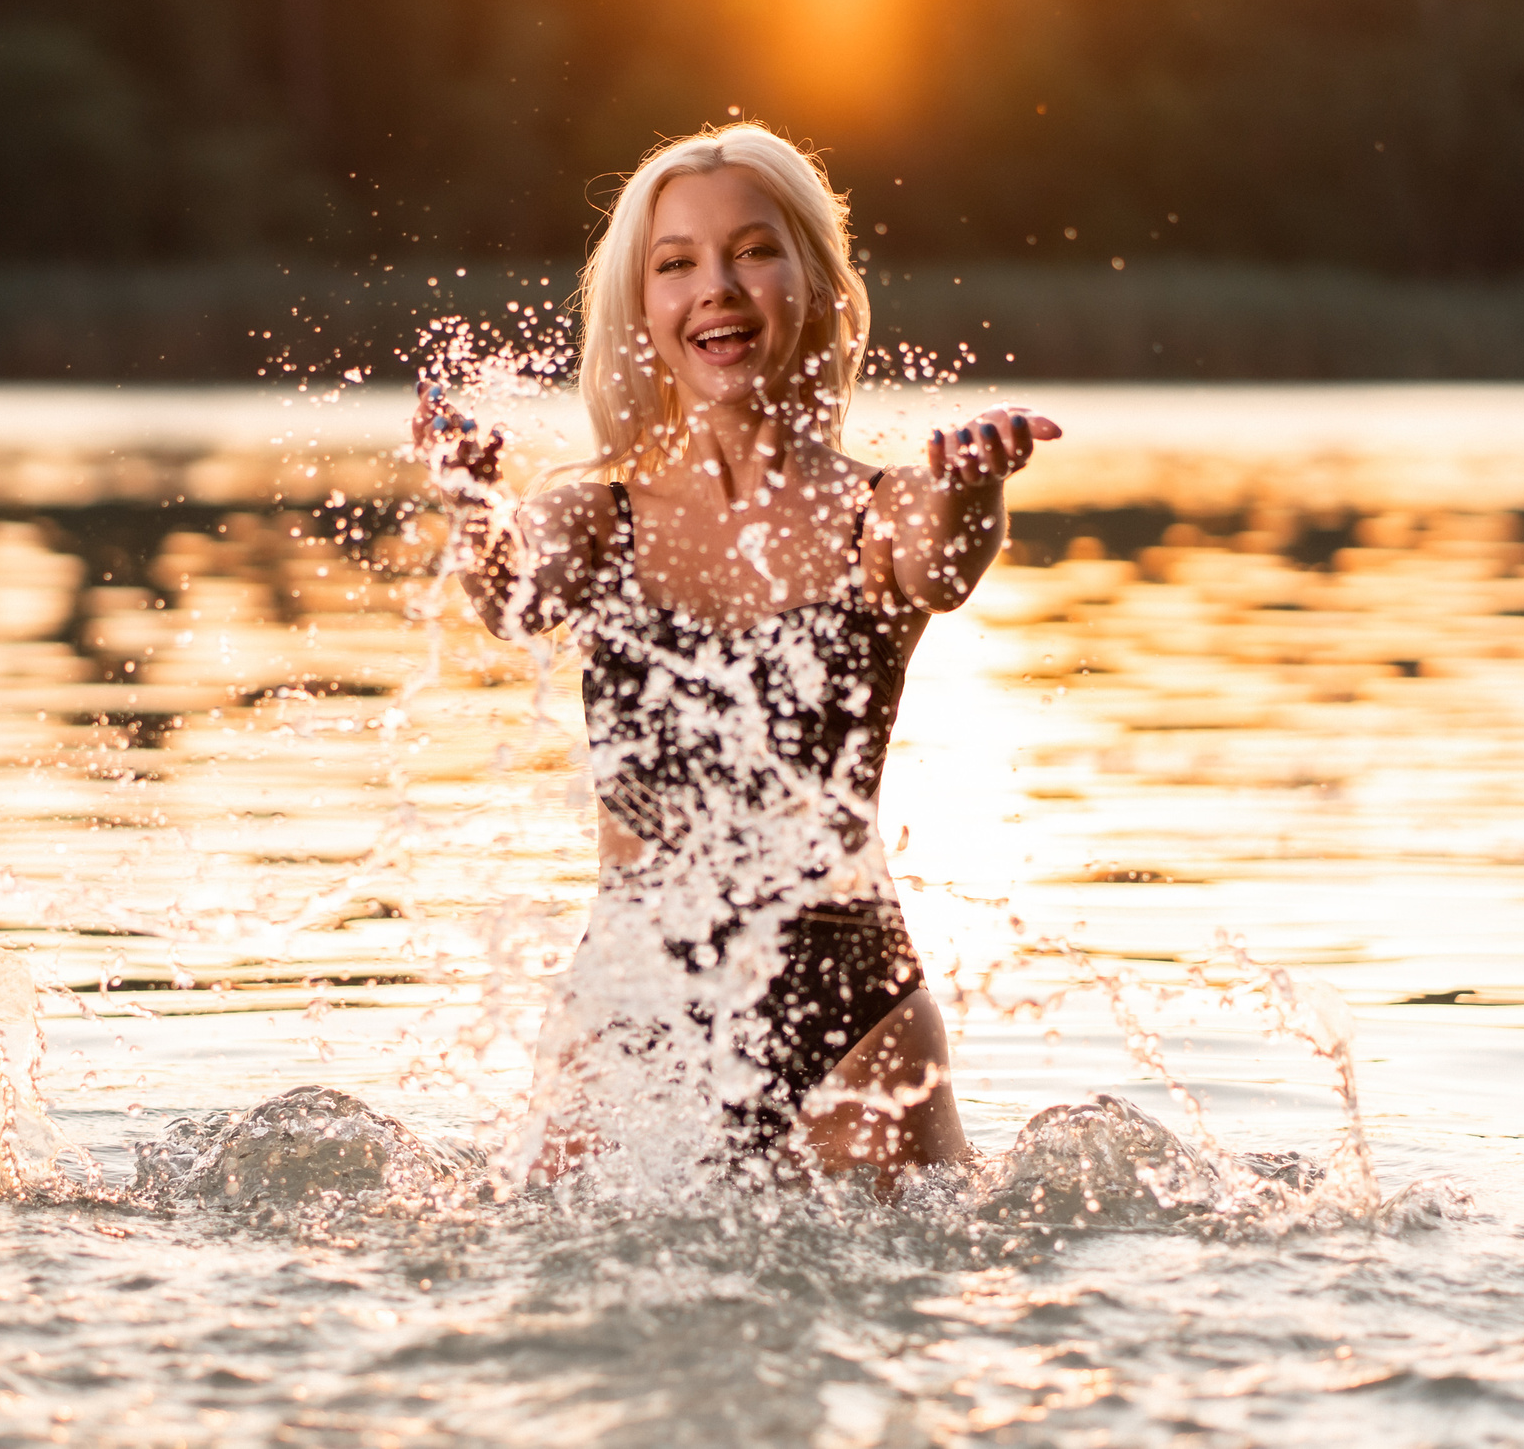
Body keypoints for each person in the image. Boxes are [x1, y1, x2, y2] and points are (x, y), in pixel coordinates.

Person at [412, 122, 1060, 1187]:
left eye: (753, 251)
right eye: (677, 264)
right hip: (631, 1004)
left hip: (852, 1020)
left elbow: (944, 562)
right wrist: (471, 505)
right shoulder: (590, 514)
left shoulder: (881, 510)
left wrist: (976, 484)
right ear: (643, 309)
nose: (715, 286)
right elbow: (511, 604)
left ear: (812, 281)